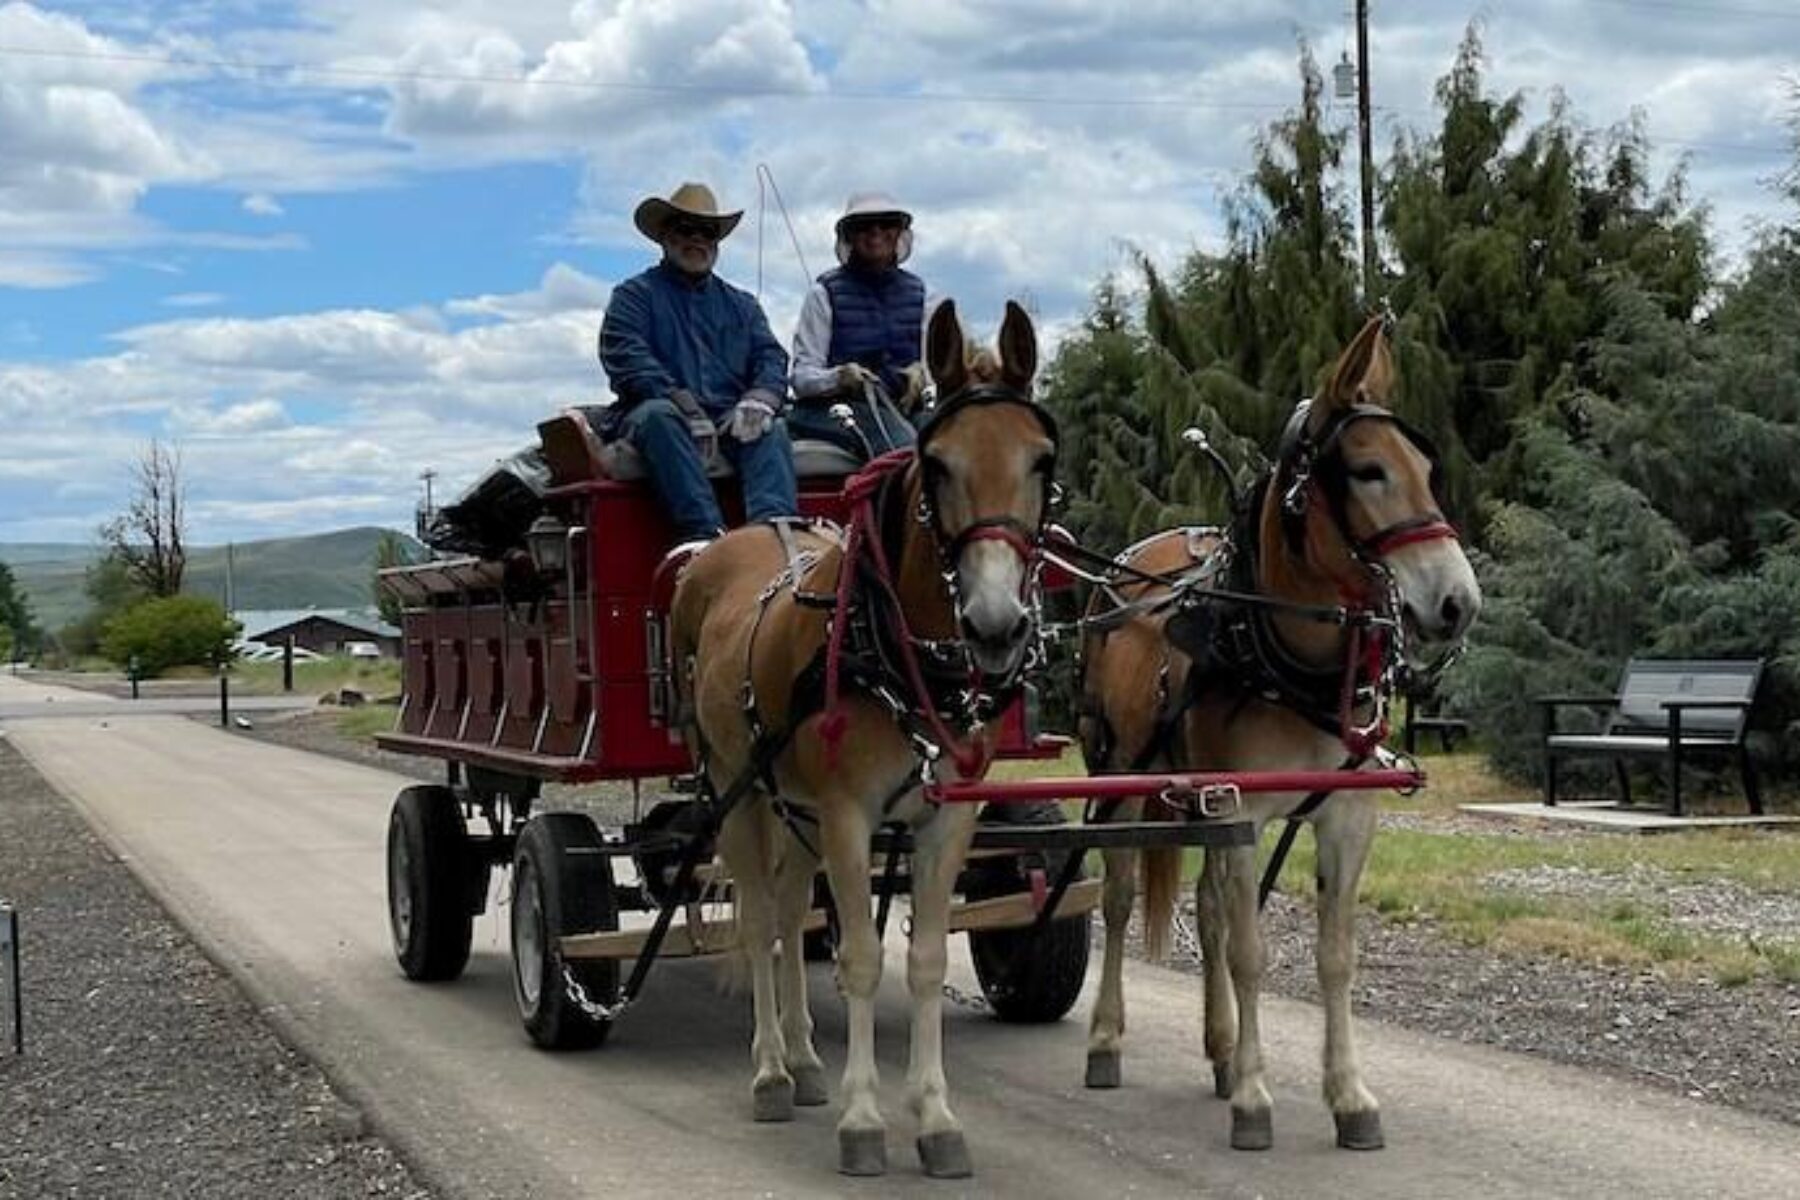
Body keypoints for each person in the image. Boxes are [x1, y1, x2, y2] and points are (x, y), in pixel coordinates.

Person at [570, 181, 797, 544]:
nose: (697, 240)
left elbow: (770, 356)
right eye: (685, 230)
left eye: (707, 232)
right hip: (657, 414)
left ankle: (772, 536)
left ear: (717, 242)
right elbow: (629, 360)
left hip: (728, 417)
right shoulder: (634, 296)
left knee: (771, 428)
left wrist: (761, 398)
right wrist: (686, 407)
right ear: (664, 237)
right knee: (659, 416)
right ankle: (705, 538)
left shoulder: (743, 305)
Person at [787, 192, 928, 460]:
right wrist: (838, 378)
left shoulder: (924, 295)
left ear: (899, 232)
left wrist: (923, 375)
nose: (876, 232)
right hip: (832, 411)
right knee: (902, 449)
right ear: (849, 235)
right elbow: (802, 377)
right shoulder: (823, 294)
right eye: (864, 225)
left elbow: (939, 367)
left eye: (886, 224)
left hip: (904, 410)